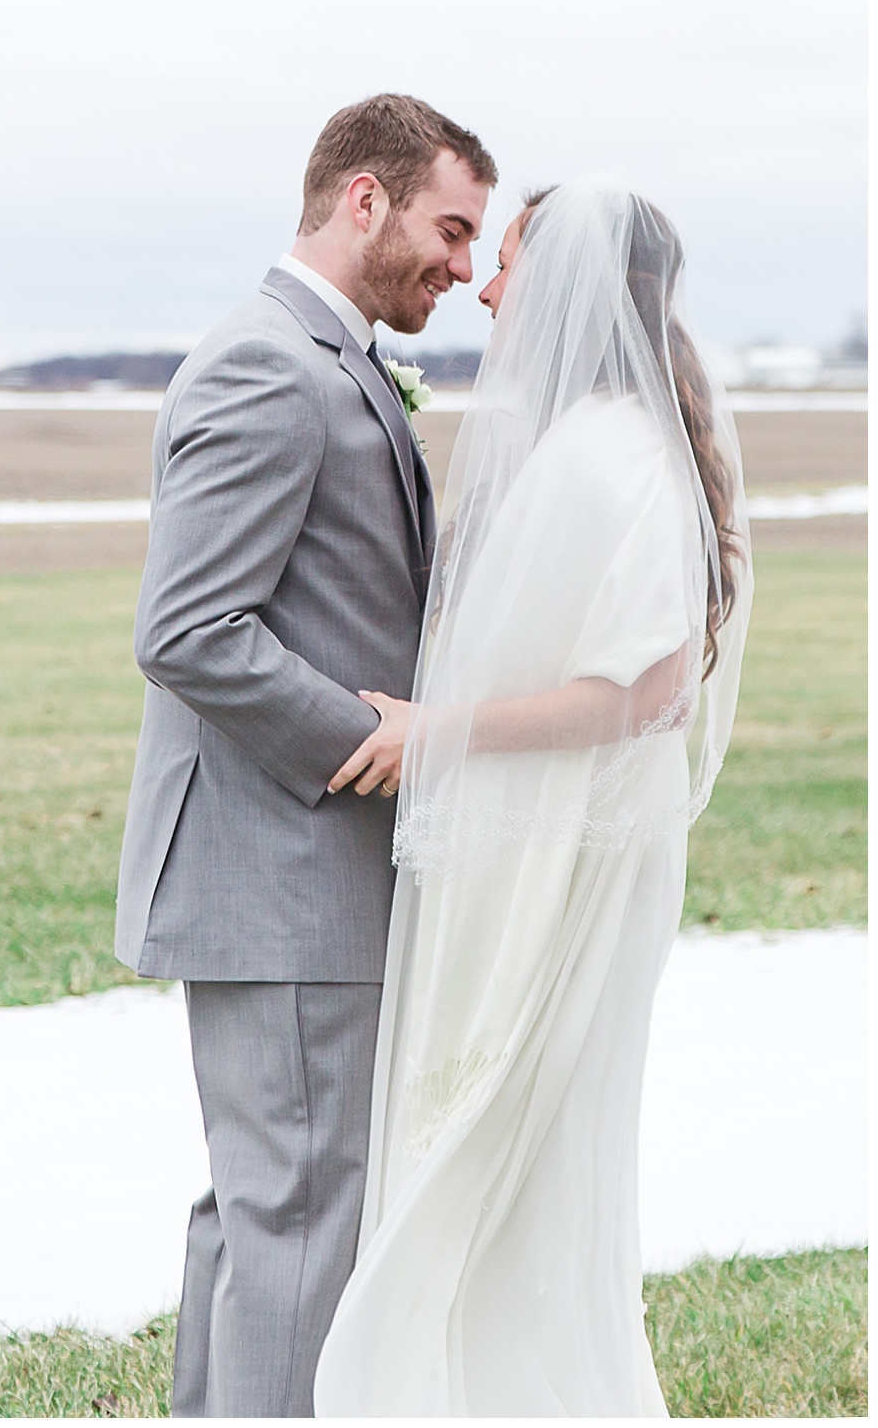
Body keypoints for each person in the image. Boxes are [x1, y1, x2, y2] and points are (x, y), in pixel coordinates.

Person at [313, 176, 753, 1416]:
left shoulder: (617, 461)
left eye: (506, 261)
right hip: (522, 848)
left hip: (566, 861)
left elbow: (650, 689)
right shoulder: (588, 445)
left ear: (563, 286)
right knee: (496, 1130)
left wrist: (438, 733)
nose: (489, 286)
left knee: (530, 1142)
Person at [113, 94, 497, 1418]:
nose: (463, 265)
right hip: (289, 869)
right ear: (365, 200)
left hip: (297, 876)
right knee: (295, 1225)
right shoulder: (268, 362)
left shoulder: (323, 356)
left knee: (262, 1212)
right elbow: (190, 629)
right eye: (451, 229)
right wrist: (376, 741)